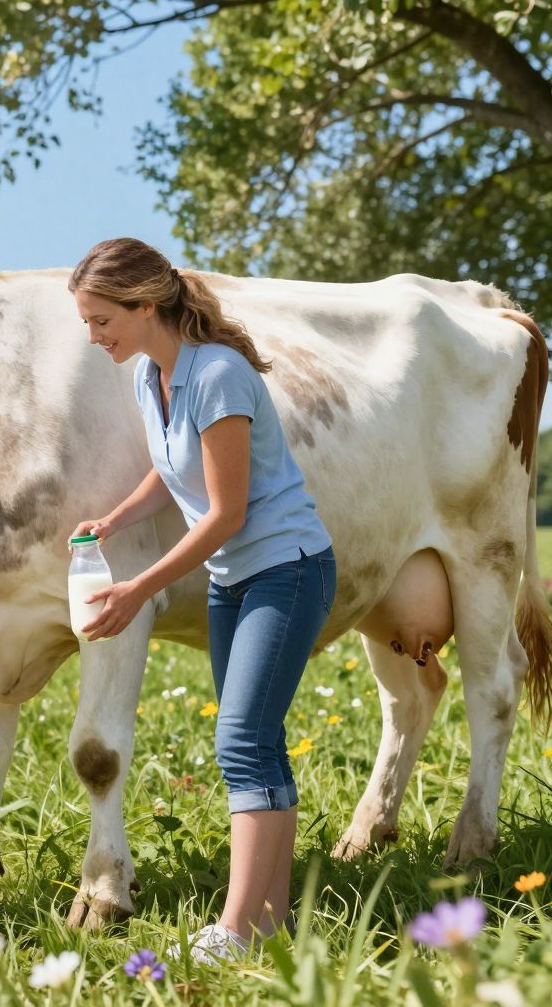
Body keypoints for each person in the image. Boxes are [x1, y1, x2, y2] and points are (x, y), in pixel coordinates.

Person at [67, 237, 336, 962]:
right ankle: (271, 920)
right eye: (87, 324)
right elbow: (172, 466)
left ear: (145, 305)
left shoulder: (217, 374)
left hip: (287, 569)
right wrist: (118, 518)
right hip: (233, 581)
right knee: (257, 744)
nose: (93, 338)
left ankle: (237, 927)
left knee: (242, 742)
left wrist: (139, 589)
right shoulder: (151, 377)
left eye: (101, 321)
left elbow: (227, 512)